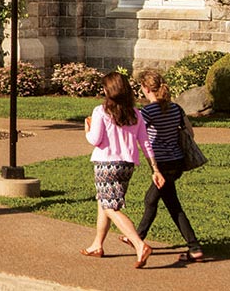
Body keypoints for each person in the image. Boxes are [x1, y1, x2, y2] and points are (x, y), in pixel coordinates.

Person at [82, 71, 159, 267]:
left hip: (106, 164)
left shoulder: (101, 111)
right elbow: (145, 142)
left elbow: (95, 140)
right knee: (104, 202)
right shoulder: (135, 113)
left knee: (110, 207)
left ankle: (139, 244)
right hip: (127, 165)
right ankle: (97, 245)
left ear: (109, 90)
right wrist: (154, 169)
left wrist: (87, 129)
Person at [130, 69, 207, 263]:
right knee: (165, 202)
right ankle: (192, 246)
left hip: (162, 164)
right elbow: (190, 132)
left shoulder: (147, 111)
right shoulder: (176, 109)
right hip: (177, 161)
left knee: (156, 202)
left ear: (146, 89)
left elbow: (136, 132)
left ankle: (138, 239)